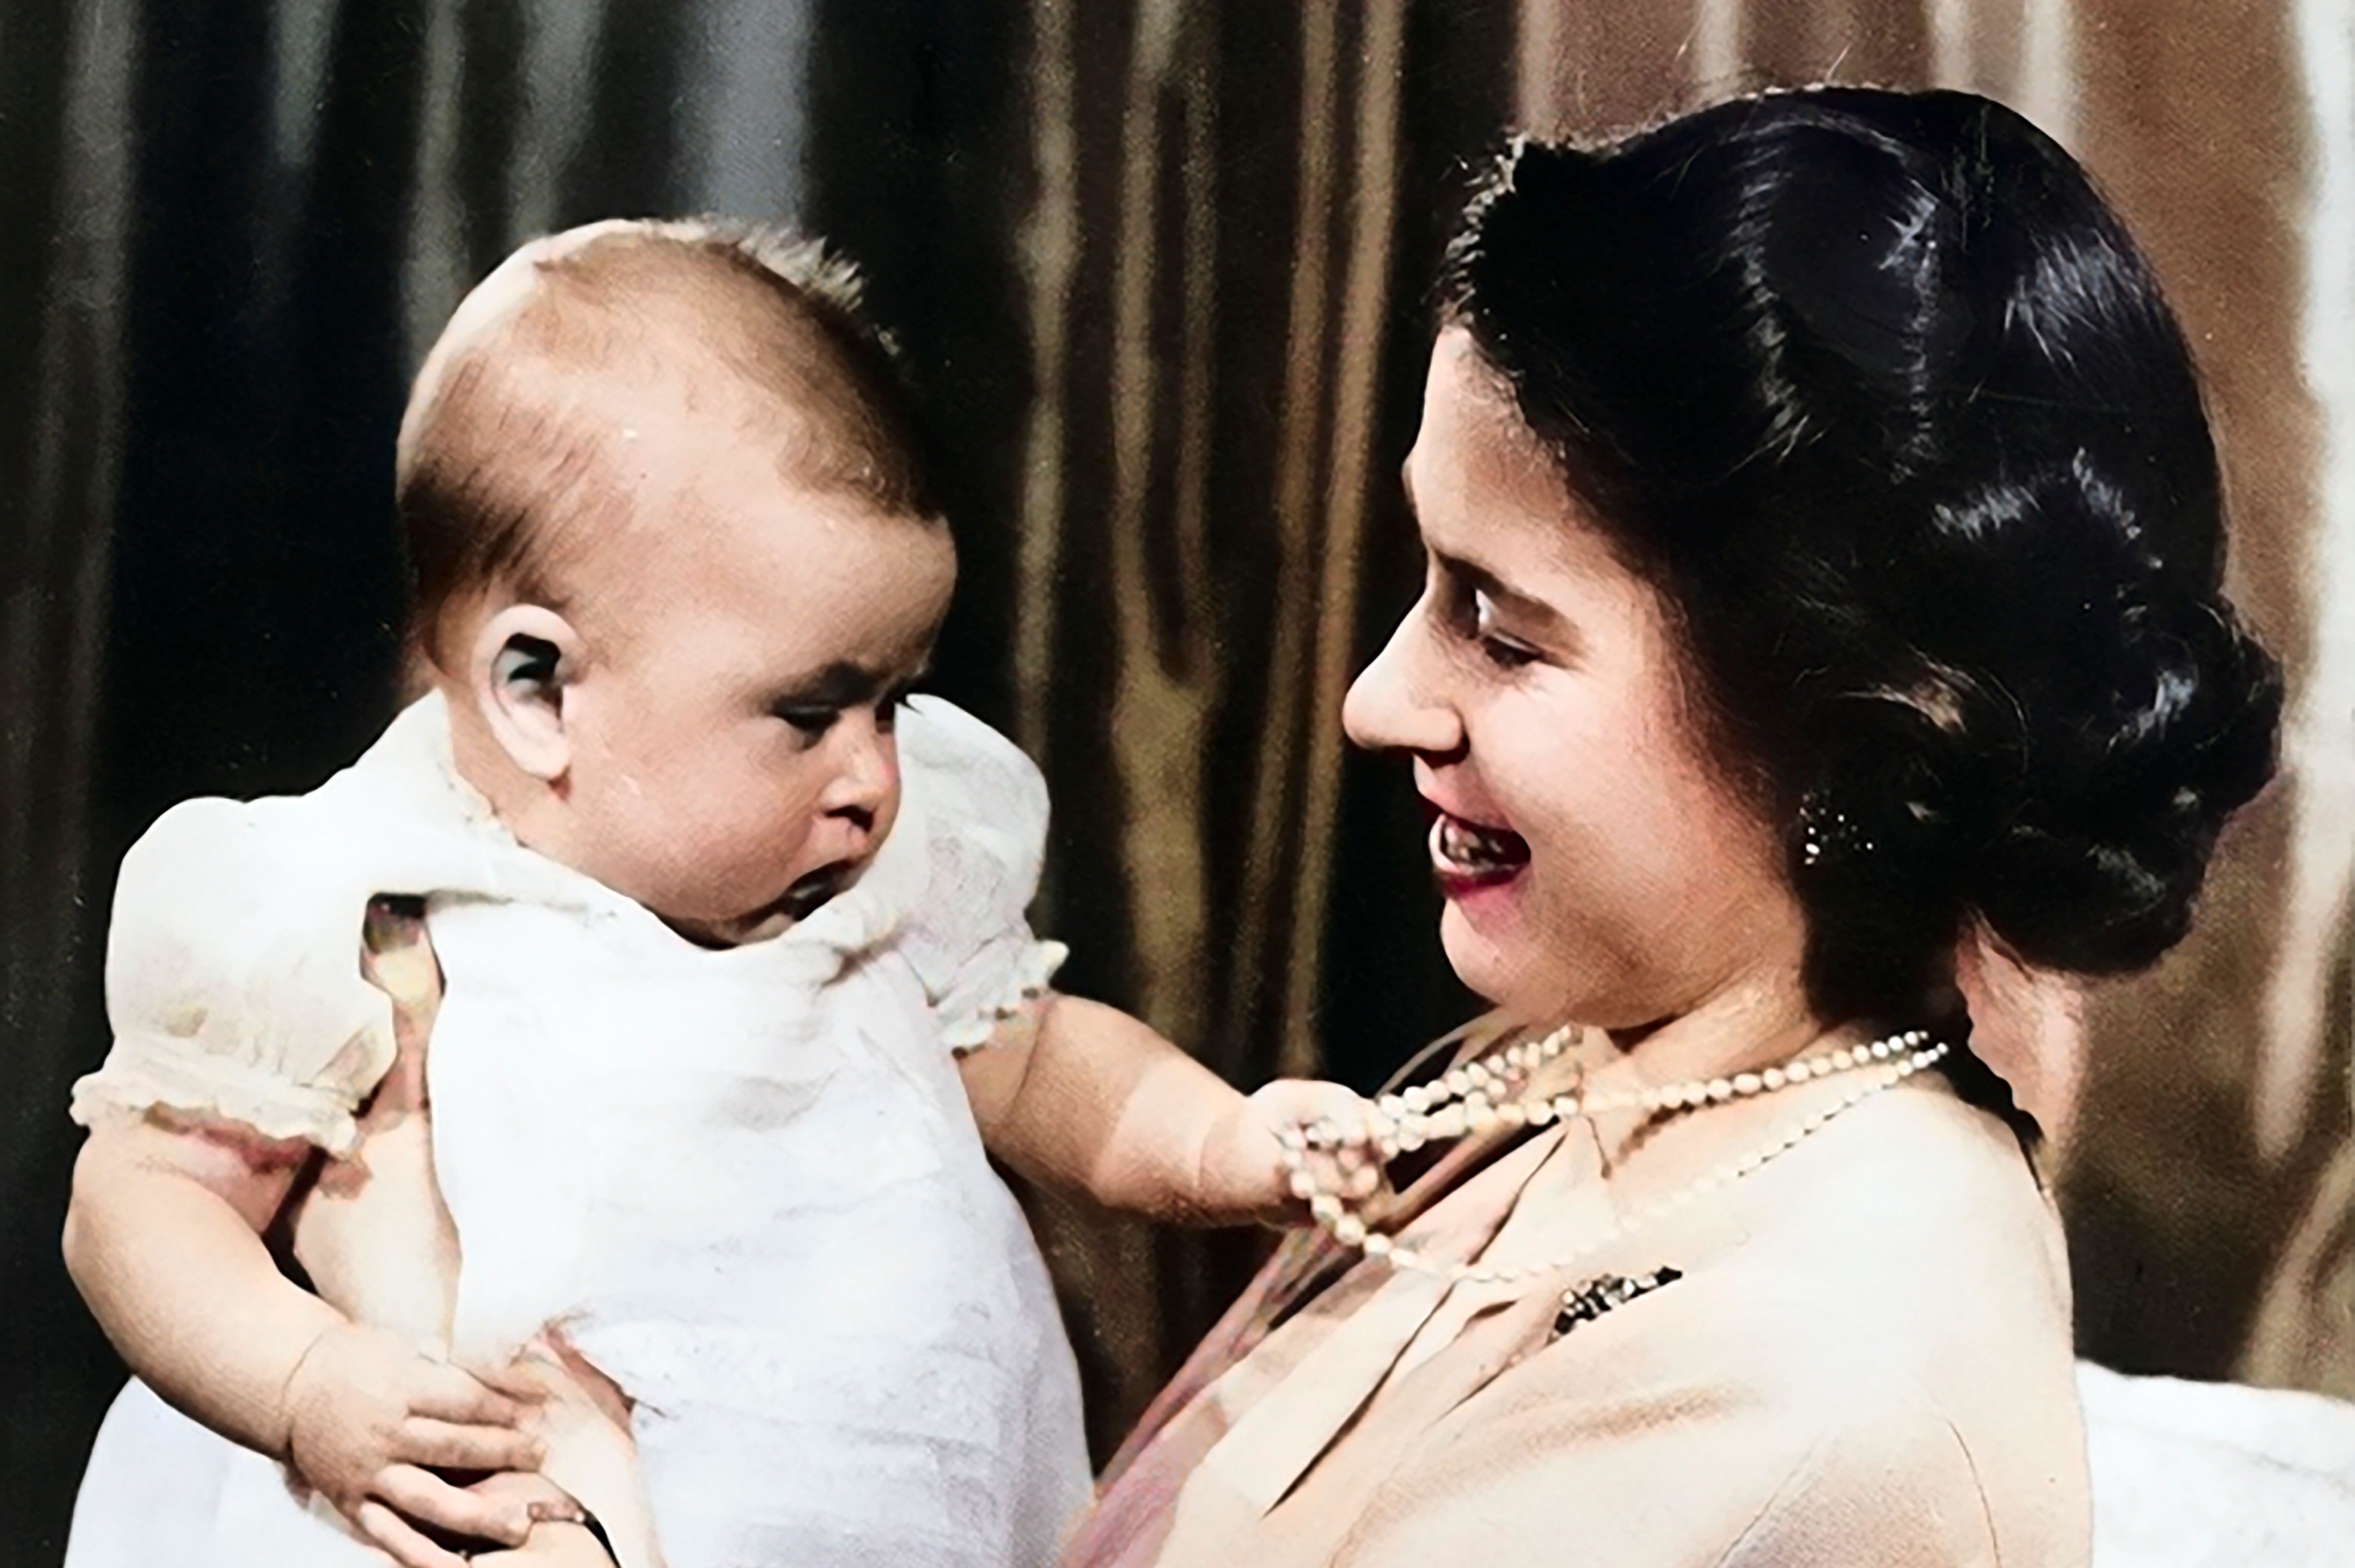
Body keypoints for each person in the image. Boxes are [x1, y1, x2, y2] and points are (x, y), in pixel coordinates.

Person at [1063, 86, 2282, 1568]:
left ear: (1847, 729)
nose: (1376, 704)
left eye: (1501, 631)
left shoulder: (1786, 1403)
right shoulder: (1602, 1053)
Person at [60, 219, 1364, 1568]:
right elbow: (142, 1205)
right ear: (539, 693)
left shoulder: (863, 888)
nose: (873, 777)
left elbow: (1033, 1067)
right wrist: (304, 1382)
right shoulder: (368, 910)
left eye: (892, 704)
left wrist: (1225, 1146)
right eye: (810, 714)